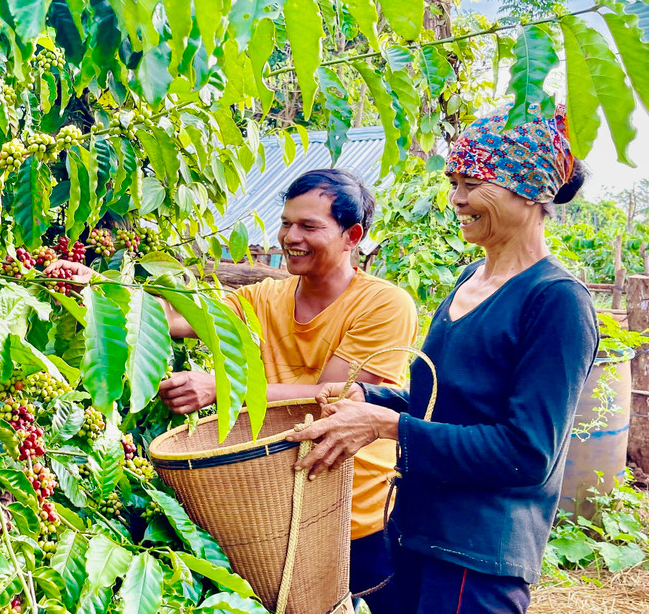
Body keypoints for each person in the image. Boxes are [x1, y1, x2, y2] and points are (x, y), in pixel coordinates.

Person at [287, 106, 599, 613]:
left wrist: (389, 427)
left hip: (475, 559)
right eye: (454, 182)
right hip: (414, 535)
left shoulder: (556, 300)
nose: (457, 199)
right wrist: (374, 398)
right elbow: (443, 404)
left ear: (531, 187)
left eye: (472, 182)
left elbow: (526, 453)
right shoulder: (470, 280)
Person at [158, 169, 418, 614]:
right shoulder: (266, 297)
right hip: (276, 509)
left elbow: (330, 397)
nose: (289, 236)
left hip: (356, 515)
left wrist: (223, 391)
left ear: (351, 235)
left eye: (308, 226)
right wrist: (98, 291)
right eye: (286, 223)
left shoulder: (383, 304)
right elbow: (186, 318)